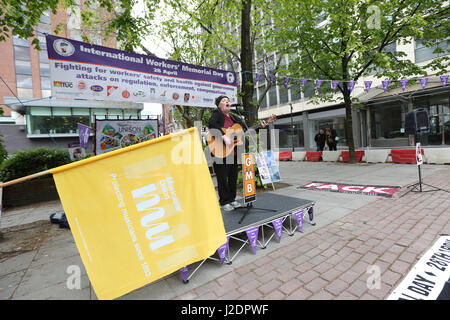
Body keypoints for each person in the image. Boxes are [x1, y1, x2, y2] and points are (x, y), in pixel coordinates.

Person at [208, 95, 267, 211]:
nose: (227, 102)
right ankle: (224, 202)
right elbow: (212, 125)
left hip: (233, 153)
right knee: (222, 178)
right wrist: (224, 136)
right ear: (219, 105)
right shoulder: (216, 114)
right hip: (220, 151)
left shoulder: (235, 118)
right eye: (224, 101)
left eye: (228, 101)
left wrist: (260, 126)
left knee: (233, 177)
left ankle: (232, 199)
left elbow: (245, 131)